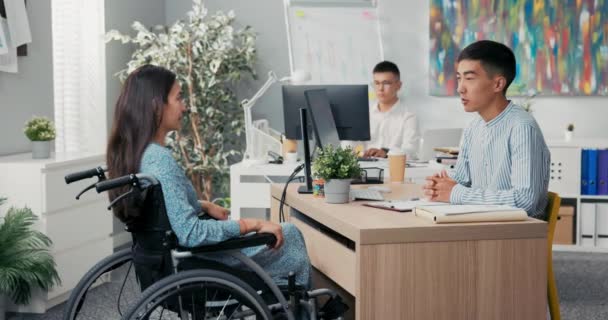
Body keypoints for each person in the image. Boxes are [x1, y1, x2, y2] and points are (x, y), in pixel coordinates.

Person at [106, 64, 311, 287]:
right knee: (289, 233)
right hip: (201, 260)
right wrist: (252, 223)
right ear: (157, 106)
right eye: (178, 98)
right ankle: (294, 306)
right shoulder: (160, 160)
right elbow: (192, 232)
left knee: (285, 233)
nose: (184, 107)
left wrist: (202, 205)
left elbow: (164, 206)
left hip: (172, 257)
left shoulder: (140, 153)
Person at [423, 40, 550, 219]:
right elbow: (462, 178)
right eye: (459, 78)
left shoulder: (521, 128)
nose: (460, 88)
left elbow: (525, 201)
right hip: (481, 224)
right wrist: (440, 185)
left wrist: (455, 193)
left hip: (516, 237)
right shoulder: (473, 127)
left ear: (498, 84)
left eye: (469, 78)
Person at [362, 61, 420, 158]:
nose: (380, 88)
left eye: (386, 83)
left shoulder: (408, 116)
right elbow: (352, 146)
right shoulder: (365, 114)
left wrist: (387, 153)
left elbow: (411, 151)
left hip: (393, 168)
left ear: (399, 85)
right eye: (376, 83)